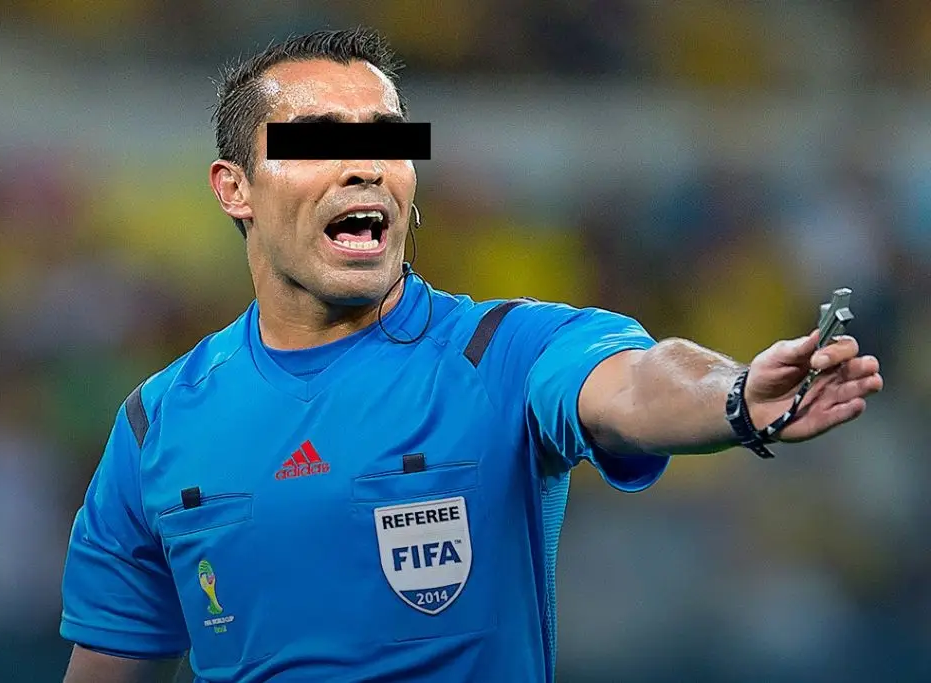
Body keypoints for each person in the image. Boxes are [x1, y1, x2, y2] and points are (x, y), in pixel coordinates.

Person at [59, 27, 884, 683]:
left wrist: (733, 394)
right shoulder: (155, 424)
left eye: (388, 142)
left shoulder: (505, 354)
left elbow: (636, 379)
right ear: (234, 187)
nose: (364, 167)